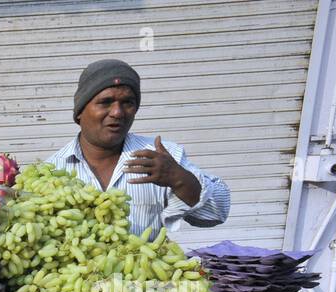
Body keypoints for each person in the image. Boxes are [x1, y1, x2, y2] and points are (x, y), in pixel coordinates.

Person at [47, 60, 230, 236]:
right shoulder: (51, 171)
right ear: (80, 111)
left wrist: (179, 180)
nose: (118, 112)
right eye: (105, 102)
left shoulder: (162, 158)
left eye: (127, 102)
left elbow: (217, 213)